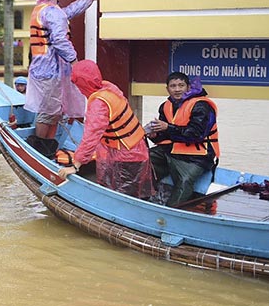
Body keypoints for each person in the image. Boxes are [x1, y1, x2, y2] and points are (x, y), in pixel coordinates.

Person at [25, 0, 104, 156]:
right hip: (50, 70)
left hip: (44, 69)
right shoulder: (51, 11)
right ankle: (41, 149)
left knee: (54, 111)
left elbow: (68, 12)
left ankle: (48, 147)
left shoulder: (44, 10)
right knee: (49, 111)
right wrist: (74, 62)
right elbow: (59, 40)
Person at [58, 60, 154, 199]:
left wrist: (76, 165)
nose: (78, 88)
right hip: (136, 149)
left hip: (126, 155)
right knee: (130, 191)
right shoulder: (109, 88)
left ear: (83, 83)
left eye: (78, 84)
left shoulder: (99, 104)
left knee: (123, 197)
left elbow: (91, 136)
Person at [146, 72, 219, 207]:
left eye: (181, 85)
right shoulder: (165, 106)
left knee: (185, 181)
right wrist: (155, 135)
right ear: (167, 89)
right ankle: (141, 198)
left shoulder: (202, 106)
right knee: (142, 161)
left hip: (198, 156)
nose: (177, 89)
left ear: (188, 87)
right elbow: (166, 135)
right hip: (171, 150)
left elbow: (196, 134)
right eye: (173, 86)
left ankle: (173, 211)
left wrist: (167, 127)